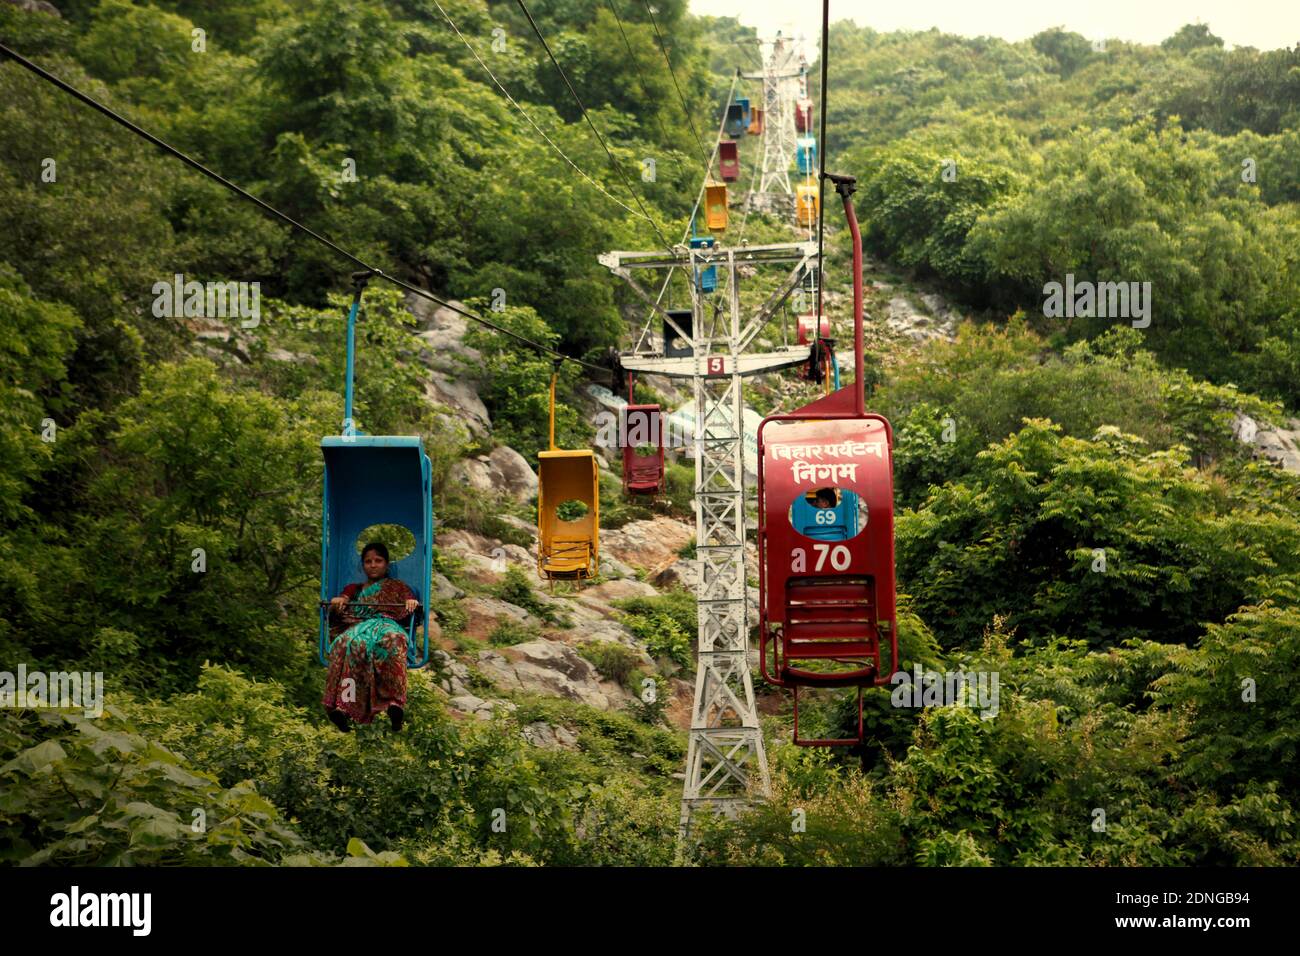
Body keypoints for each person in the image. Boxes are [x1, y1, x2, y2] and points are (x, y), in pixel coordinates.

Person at [321, 542, 418, 733]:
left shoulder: (397, 586)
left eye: (378, 561)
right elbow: (343, 600)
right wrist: (339, 601)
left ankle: (393, 703)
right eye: (368, 561)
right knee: (350, 645)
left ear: (387, 564)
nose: (373, 565)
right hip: (359, 627)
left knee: (392, 640)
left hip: (386, 625)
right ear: (363, 565)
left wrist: (411, 602)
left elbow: (409, 601)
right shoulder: (354, 588)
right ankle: (344, 706)